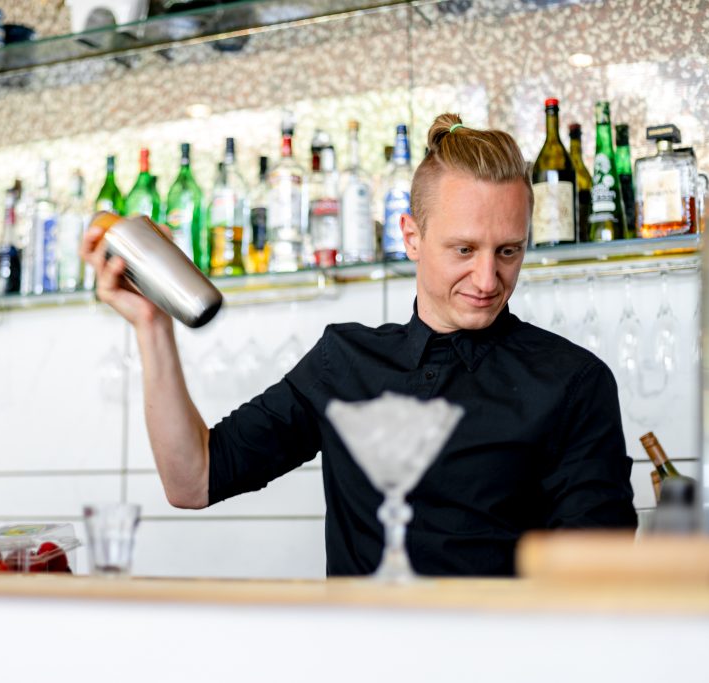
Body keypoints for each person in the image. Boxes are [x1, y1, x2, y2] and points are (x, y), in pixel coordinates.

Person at [80, 113, 637, 577]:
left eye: (509, 251)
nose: (488, 279)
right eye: (464, 250)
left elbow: (595, 577)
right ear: (411, 237)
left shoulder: (573, 381)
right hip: (359, 658)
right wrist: (152, 325)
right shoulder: (343, 362)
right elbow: (193, 479)